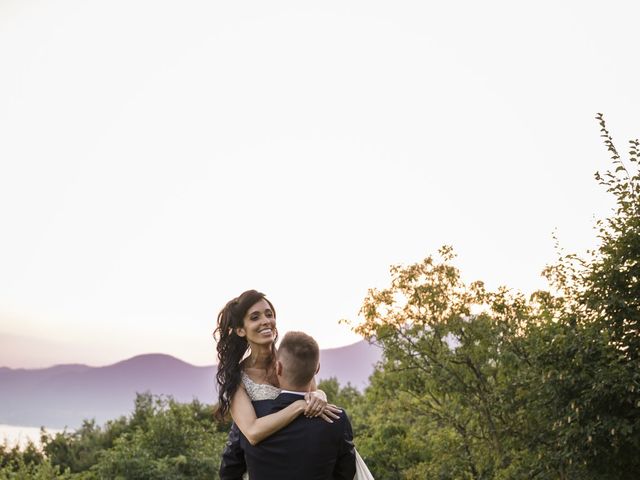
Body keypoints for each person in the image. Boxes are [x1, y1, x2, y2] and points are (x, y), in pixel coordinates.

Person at [214, 290, 374, 479]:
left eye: (269, 314)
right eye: (255, 317)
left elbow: (311, 397)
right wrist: (298, 406)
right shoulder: (237, 378)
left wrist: (320, 395)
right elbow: (252, 432)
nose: (266, 321)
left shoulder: (294, 359)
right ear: (241, 330)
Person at [220, 331, 357, 480]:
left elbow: (229, 472)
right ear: (317, 368)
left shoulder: (252, 418)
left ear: (278, 368)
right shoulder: (338, 419)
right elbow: (346, 473)